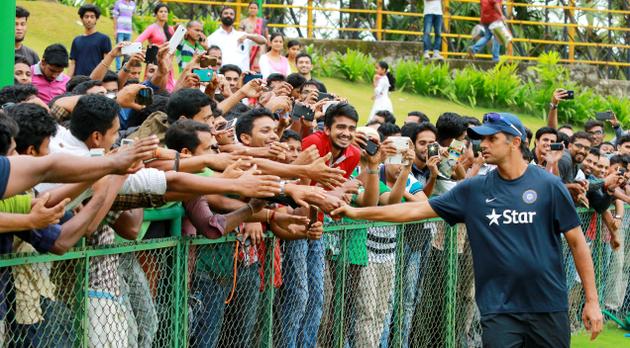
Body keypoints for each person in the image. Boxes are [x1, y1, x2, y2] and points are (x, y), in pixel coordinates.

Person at [332, 112, 604, 347]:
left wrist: (591, 301)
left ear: (515, 142)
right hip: (499, 309)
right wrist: (358, 212)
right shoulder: (474, 190)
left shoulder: (549, 186)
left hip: (548, 306)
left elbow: (577, 243)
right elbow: (413, 209)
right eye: (481, 138)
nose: (482, 144)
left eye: (491, 139)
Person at [207, 6, 266, 73]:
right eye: (226, 13)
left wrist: (248, 36)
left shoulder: (242, 36)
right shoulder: (212, 38)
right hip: (221, 77)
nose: (228, 15)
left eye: (231, 14)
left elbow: (263, 41)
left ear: (234, 18)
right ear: (221, 16)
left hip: (242, 77)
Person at [135, 3, 176, 92]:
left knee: (167, 90)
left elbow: (174, 47)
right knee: (151, 88)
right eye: (161, 11)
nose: (164, 13)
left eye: (165, 11)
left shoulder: (170, 29)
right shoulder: (152, 28)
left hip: (167, 62)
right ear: (156, 14)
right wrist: (146, 50)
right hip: (154, 61)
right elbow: (138, 41)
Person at [68, 4, 112, 77]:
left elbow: (107, 62)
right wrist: (68, 82)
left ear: (96, 19)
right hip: (78, 82)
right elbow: (73, 63)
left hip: (96, 81)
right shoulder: (76, 40)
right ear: (82, 19)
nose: (89, 20)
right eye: (86, 17)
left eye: (92, 17)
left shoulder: (104, 39)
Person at [239, 1, 269, 72]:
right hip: (248, 48)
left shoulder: (262, 22)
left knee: (259, 68)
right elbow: (240, 35)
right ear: (248, 9)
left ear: (258, 10)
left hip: (260, 49)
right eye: (251, 8)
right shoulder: (243, 22)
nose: (253, 10)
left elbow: (266, 37)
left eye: (255, 8)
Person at [112, 0, 136, 70]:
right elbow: (114, 16)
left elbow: (132, 17)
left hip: (128, 31)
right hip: (120, 30)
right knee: (119, 48)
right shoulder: (118, 3)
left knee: (127, 50)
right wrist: (115, 30)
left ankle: (125, 68)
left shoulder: (133, 4)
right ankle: (118, 69)